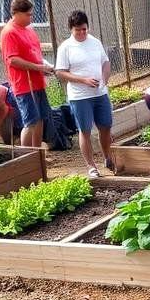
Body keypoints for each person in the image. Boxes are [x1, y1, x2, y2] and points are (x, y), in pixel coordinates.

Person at [55, 10, 114, 177]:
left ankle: (107, 157)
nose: (81, 33)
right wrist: (83, 80)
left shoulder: (95, 42)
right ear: (71, 30)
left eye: (84, 29)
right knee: (85, 130)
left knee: (105, 127)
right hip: (80, 97)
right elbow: (60, 72)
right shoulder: (66, 47)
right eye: (77, 30)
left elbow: (105, 63)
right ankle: (91, 166)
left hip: (100, 93)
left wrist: (105, 78)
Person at [0, 0, 56, 148]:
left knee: (40, 119)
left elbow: (35, 53)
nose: (31, 18)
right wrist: (39, 67)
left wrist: (45, 65)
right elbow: (12, 60)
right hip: (24, 85)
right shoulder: (9, 32)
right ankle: (24, 157)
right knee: (30, 121)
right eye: (28, 14)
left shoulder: (29, 29)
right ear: (16, 13)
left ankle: (37, 154)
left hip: (37, 81)